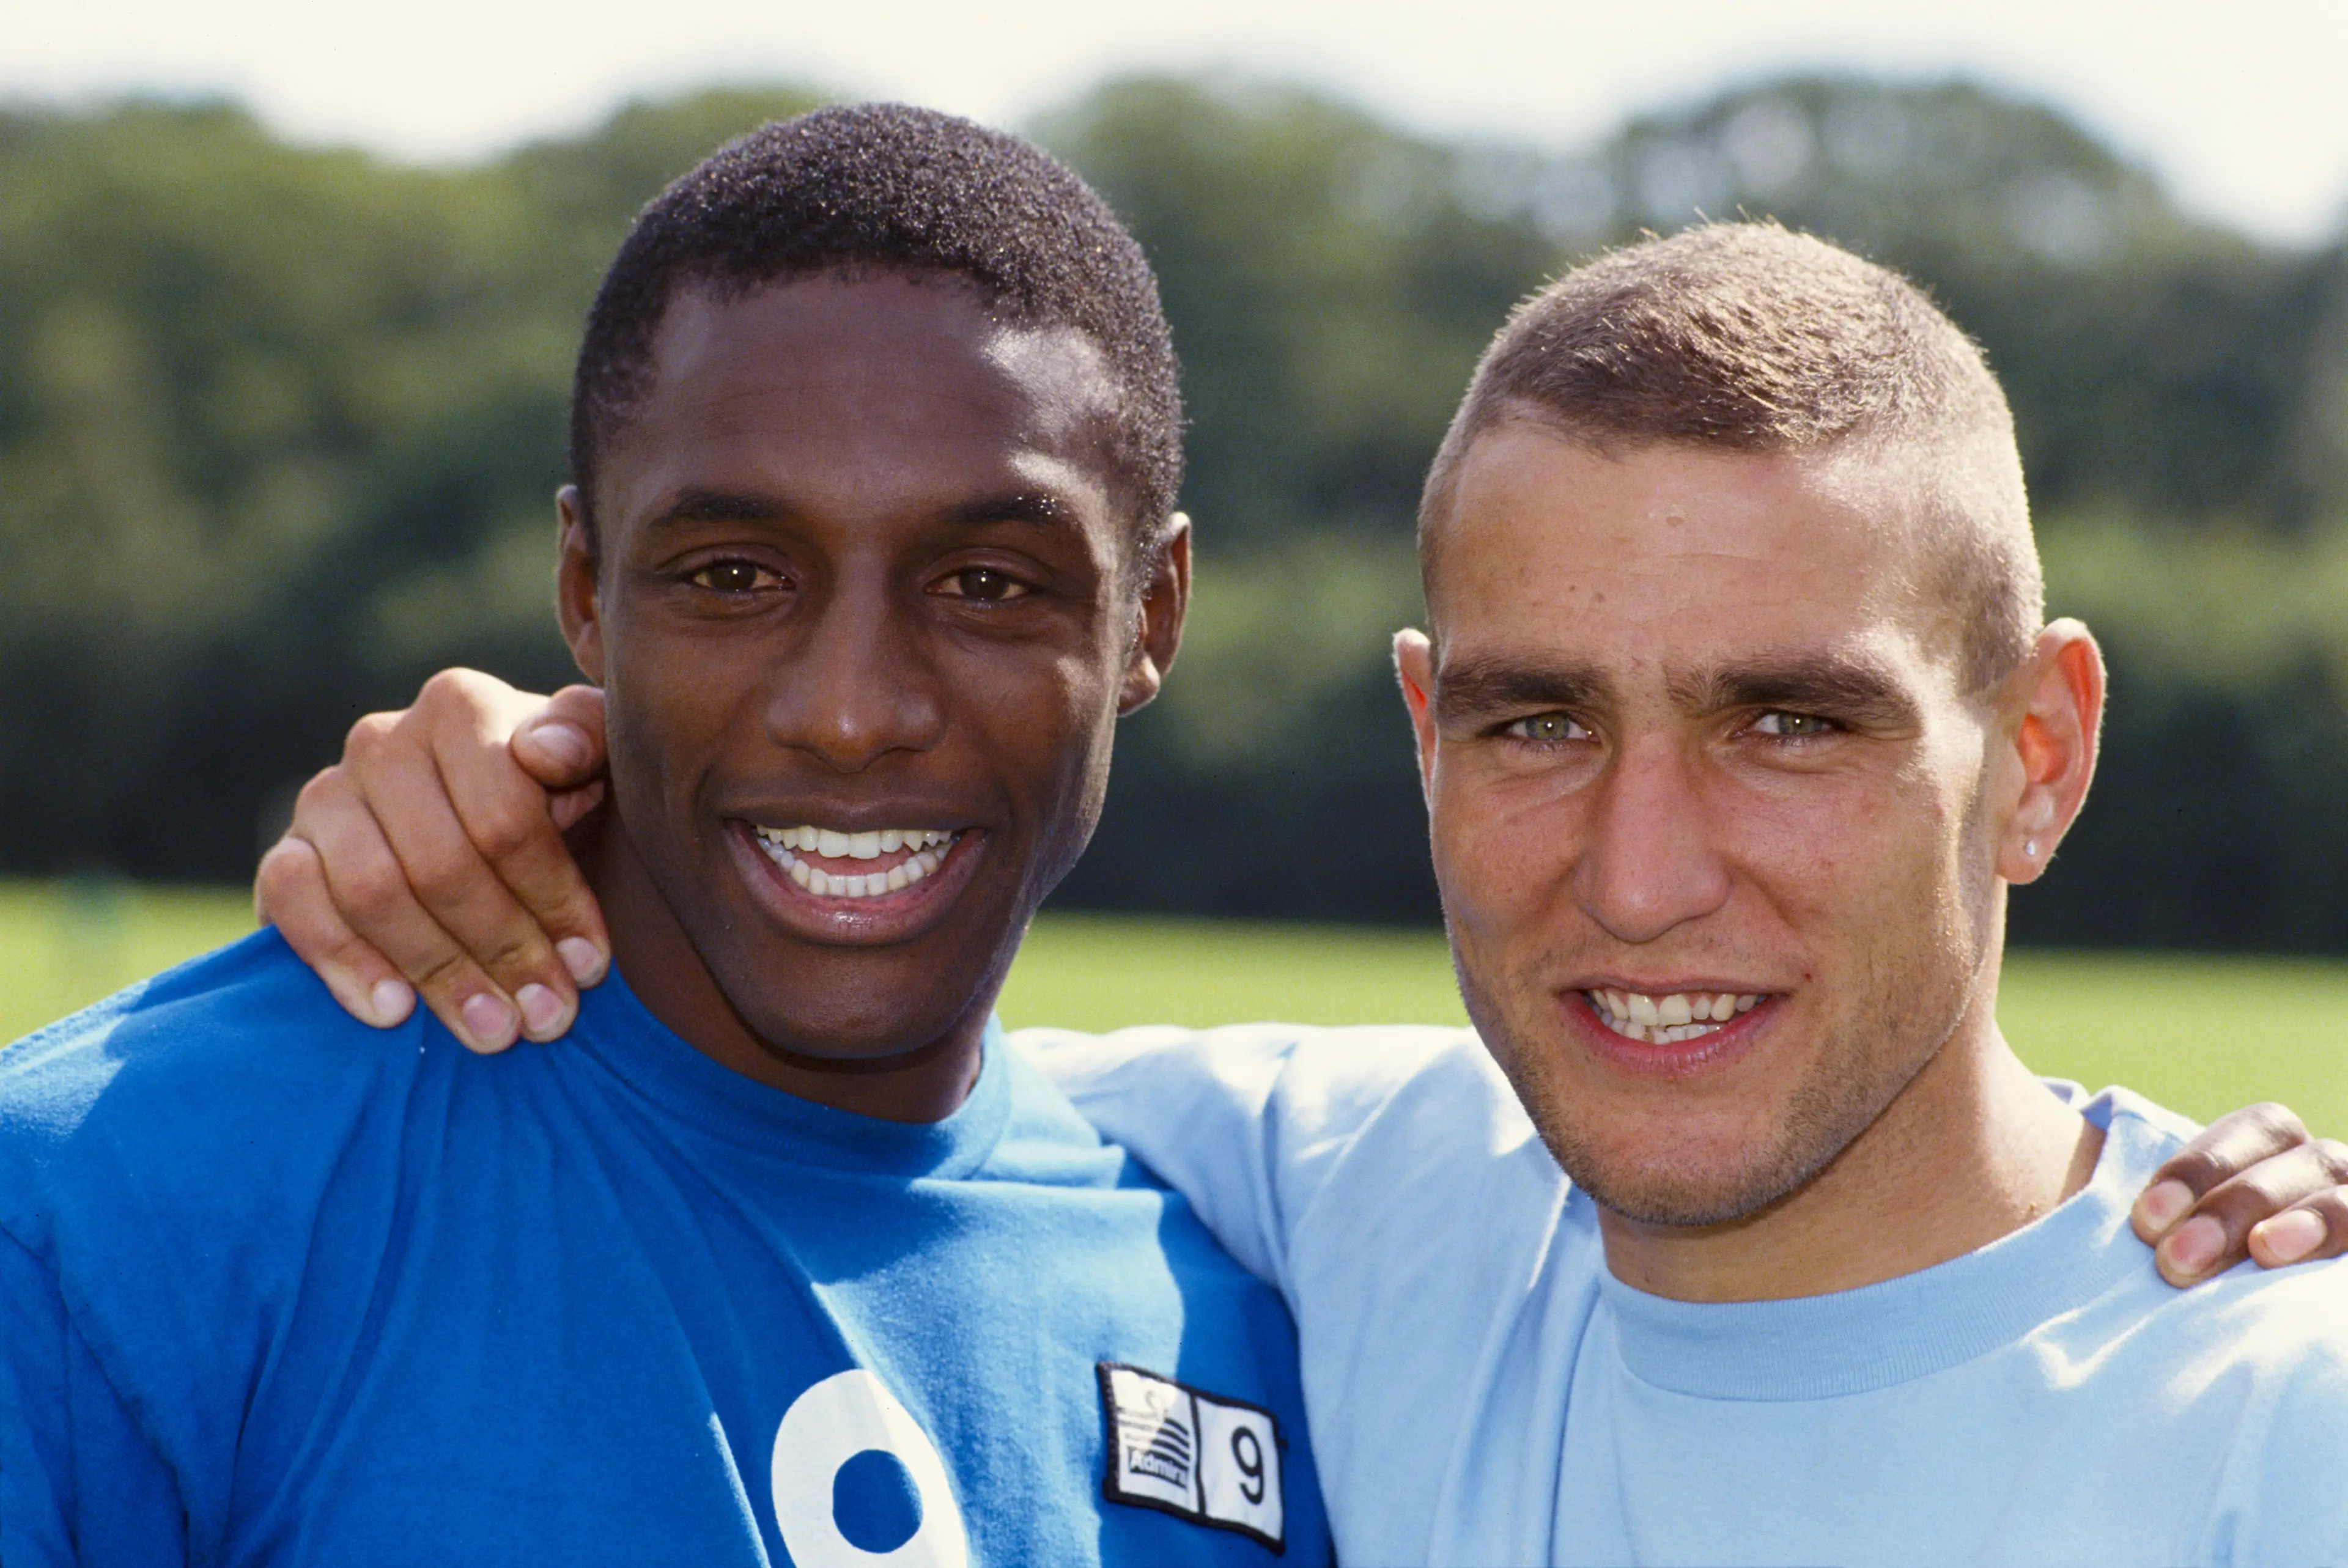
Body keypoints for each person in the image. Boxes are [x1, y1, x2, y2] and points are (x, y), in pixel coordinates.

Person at [270, 223, 2348, 1566]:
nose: (1640, 874)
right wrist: (527, 795)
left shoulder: (2277, 1409)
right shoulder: (1365, 1191)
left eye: (1789, 725)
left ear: (2041, 754)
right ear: (1424, 733)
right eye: (1539, 723)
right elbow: (853, 1067)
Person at [0, 105, 1334, 1566]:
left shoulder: (1252, 1329)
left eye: (989, 584)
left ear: (1150, 617)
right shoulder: (99, 1214)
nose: (848, 712)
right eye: (738, 573)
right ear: (585, 584)